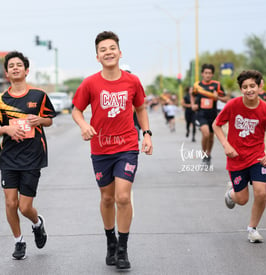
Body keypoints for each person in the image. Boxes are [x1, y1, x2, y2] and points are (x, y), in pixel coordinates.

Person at [71, 31, 153, 270]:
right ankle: (110, 241)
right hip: (100, 149)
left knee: (123, 196)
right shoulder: (90, 83)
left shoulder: (132, 81)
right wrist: (84, 125)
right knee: (107, 198)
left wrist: (146, 134)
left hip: (127, 146)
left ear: (120, 52)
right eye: (103, 50)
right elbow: (76, 110)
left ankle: (123, 249)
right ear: (97, 57)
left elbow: (140, 108)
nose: (108, 52)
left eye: (112, 48)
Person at [0, 51, 56, 260]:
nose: (15, 68)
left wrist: (39, 120)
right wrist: (6, 129)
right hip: (9, 158)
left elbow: (49, 119)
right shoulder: (0, 100)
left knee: (25, 207)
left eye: (19, 65)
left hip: (33, 157)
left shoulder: (39, 95)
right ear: (7, 73)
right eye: (11, 66)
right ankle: (18, 242)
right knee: (10, 203)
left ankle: (37, 223)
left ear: (26, 70)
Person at [212, 70, 266, 243]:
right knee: (242, 199)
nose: (249, 90)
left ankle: (252, 229)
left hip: (257, 158)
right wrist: (226, 145)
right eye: (245, 87)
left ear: (259, 87)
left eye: (252, 86)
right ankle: (231, 194)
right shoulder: (233, 105)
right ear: (241, 89)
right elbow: (216, 125)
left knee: (261, 193)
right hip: (236, 159)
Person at [192, 64, 228, 166]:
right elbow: (193, 95)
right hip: (201, 113)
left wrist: (218, 98)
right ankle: (204, 154)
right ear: (202, 74)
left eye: (210, 73)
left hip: (212, 114)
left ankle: (208, 154)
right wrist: (193, 104)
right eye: (206, 73)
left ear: (212, 74)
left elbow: (226, 99)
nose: (208, 75)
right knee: (206, 134)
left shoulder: (217, 85)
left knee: (211, 137)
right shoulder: (197, 85)